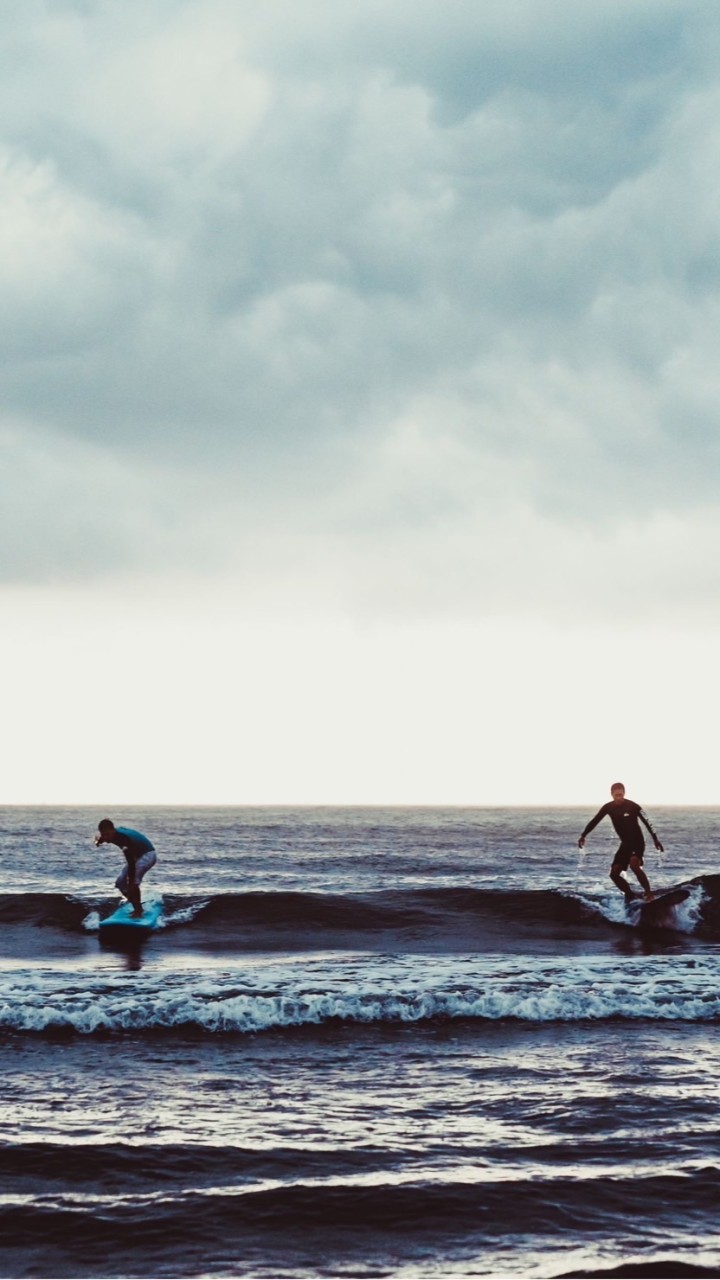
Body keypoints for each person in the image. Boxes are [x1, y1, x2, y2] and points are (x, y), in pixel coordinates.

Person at [578, 783, 664, 901]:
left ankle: (649, 894)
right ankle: (629, 894)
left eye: (620, 794)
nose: (619, 797)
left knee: (634, 864)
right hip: (625, 845)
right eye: (616, 795)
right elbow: (595, 820)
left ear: (624, 793)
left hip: (637, 842)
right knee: (614, 874)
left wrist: (655, 838)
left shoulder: (633, 806)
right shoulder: (608, 807)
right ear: (612, 794)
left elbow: (647, 821)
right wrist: (583, 835)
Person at [95, 819, 157, 918]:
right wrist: (98, 841)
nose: (106, 837)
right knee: (120, 883)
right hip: (138, 855)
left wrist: (131, 882)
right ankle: (133, 900)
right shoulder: (110, 834)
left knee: (133, 882)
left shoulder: (124, 840)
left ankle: (138, 911)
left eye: (107, 834)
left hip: (148, 855)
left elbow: (131, 863)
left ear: (113, 830)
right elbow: (104, 837)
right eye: (103, 834)